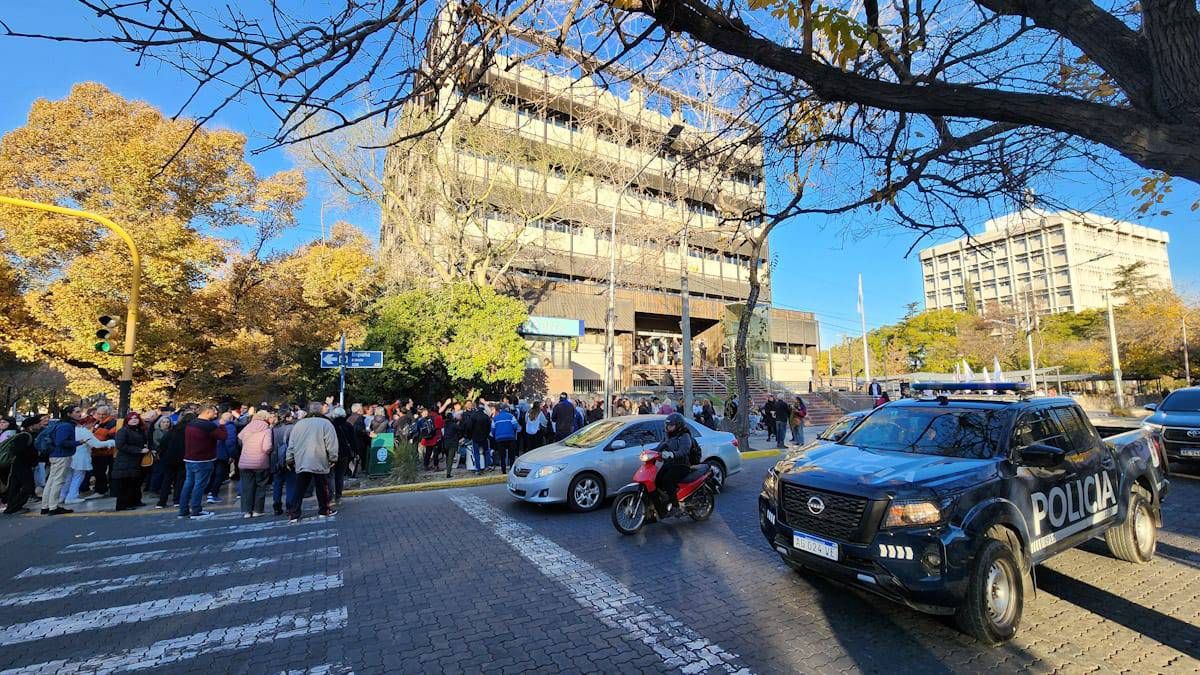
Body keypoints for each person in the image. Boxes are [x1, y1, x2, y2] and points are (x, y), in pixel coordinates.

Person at [286, 402, 338, 522]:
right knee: (321, 487)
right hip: (319, 459)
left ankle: (294, 513)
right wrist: (333, 458)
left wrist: (289, 459)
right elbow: (331, 443)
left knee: (299, 488)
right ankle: (324, 510)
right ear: (320, 411)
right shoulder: (326, 423)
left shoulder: (299, 424)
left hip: (302, 460)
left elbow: (291, 444)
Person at [179, 406, 230, 519]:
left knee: (188, 484)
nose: (216, 414)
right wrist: (222, 425)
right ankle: (196, 510)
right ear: (207, 412)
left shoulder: (191, 423)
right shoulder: (208, 425)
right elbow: (223, 436)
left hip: (189, 458)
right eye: (214, 412)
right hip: (203, 459)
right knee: (199, 485)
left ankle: (183, 510)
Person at [654, 413, 695, 516]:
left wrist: (672, 454)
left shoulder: (685, 436)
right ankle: (664, 502)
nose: (668, 427)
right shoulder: (669, 436)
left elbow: (684, 451)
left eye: (671, 425)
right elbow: (660, 446)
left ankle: (676, 506)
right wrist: (650, 452)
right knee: (656, 480)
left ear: (678, 425)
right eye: (667, 425)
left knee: (667, 480)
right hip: (670, 463)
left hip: (682, 465)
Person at [4, 415, 45, 515]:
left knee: (15, 486)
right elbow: (19, 451)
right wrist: (32, 458)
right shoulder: (25, 436)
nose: (40, 425)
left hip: (20, 464)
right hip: (22, 465)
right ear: (31, 426)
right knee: (28, 487)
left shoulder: (27, 435)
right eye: (38, 424)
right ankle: (14, 507)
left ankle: (12, 507)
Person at [237, 410, 273, 517]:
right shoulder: (267, 429)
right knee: (260, 486)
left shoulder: (247, 427)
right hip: (260, 461)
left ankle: (247, 511)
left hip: (245, 460)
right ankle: (258, 510)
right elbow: (267, 447)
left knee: (247, 487)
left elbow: (239, 438)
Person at [112, 411, 150, 511]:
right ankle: (123, 505)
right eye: (131, 418)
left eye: (136, 418)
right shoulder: (123, 431)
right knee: (125, 484)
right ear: (127, 420)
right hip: (125, 461)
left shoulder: (140, 430)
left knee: (135, 483)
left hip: (136, 461)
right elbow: (120, 445)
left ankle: (135, 501)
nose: (134, 420)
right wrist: (139, 450)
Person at [156, 411, 192, 509]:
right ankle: (177, 500)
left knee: (166, 480)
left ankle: (161, 502)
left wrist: (162, 454)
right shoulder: (188, 431)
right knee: (179, 480)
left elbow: (163, 443)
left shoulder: (173, 430)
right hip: (182, 458)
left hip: (168, 458)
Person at [271, 410, 296, 516]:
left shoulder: (274, 429)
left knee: (277, 483)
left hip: (276, 459)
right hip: (289, 459)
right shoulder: (293, 428)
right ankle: (289, 506)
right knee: (290, 483)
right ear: (287, 418)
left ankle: (277, 505)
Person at [89, 405, 118, 497]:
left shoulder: (112, 423)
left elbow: (112, 437)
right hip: (98, 452)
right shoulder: (97, 423)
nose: (101, 416)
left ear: (108, 414)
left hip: (106, 451)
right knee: (99, 472)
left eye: (103, 414)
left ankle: (104, 490)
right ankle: (102, 489)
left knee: (105, 472)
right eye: (99, 414)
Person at [328, 407, 355, 503]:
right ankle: (338, 496)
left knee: (330, 475)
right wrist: (355, 452)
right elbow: (353, 440)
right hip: (344, 453)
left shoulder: (330, 425)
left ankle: (330, 495)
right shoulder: (348, 425)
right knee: (340, 476)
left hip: (332, 452)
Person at [491, 403, 518, 474]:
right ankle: (512, 469)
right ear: (507, 409)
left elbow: (493, 429)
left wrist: (495, 436)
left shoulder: (495, 418)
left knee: (502, 455)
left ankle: (503, 470)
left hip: (500, 439)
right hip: (510, 438)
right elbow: (515, 426)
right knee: (511, 454)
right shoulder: (511, 416)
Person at [418, 405, 444, 472]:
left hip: (427, 439)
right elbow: (440, 426)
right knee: (436, 452)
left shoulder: (422, 419)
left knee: (428, 452)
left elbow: (419, 429)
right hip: (435, 437)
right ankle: (436, 466)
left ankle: (426, 466)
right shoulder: (436, 417)